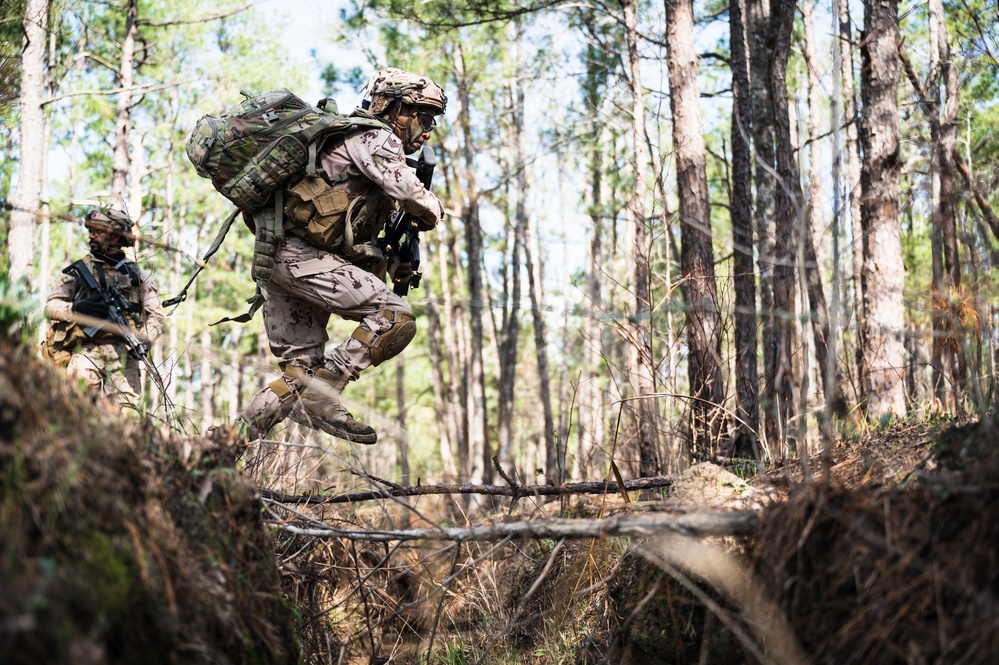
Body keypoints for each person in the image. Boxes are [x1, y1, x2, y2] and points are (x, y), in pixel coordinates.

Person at [237, 67, 447, 444]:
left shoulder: (345, 139)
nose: (428, 129)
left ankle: (219, 447)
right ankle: (324, 395)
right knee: (394, 316)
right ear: (395, 108)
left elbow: (353, 234)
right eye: (423, 116)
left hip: (279, 257)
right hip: (300, 257)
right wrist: (433, 209)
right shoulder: (375, 135)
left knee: (299, 376)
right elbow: (411, 192)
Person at [42, 208, 165, 411]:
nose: (91, 236)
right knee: (78, 416)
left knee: (128, 421)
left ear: (115, 236)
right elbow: (51, 307)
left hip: (125, 357)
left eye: (97, 231)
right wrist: (76, 308)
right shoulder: (80, 269)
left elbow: (156, 316)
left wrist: (145, 338)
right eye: (90, 231)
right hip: (85, 352)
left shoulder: (138, 276)